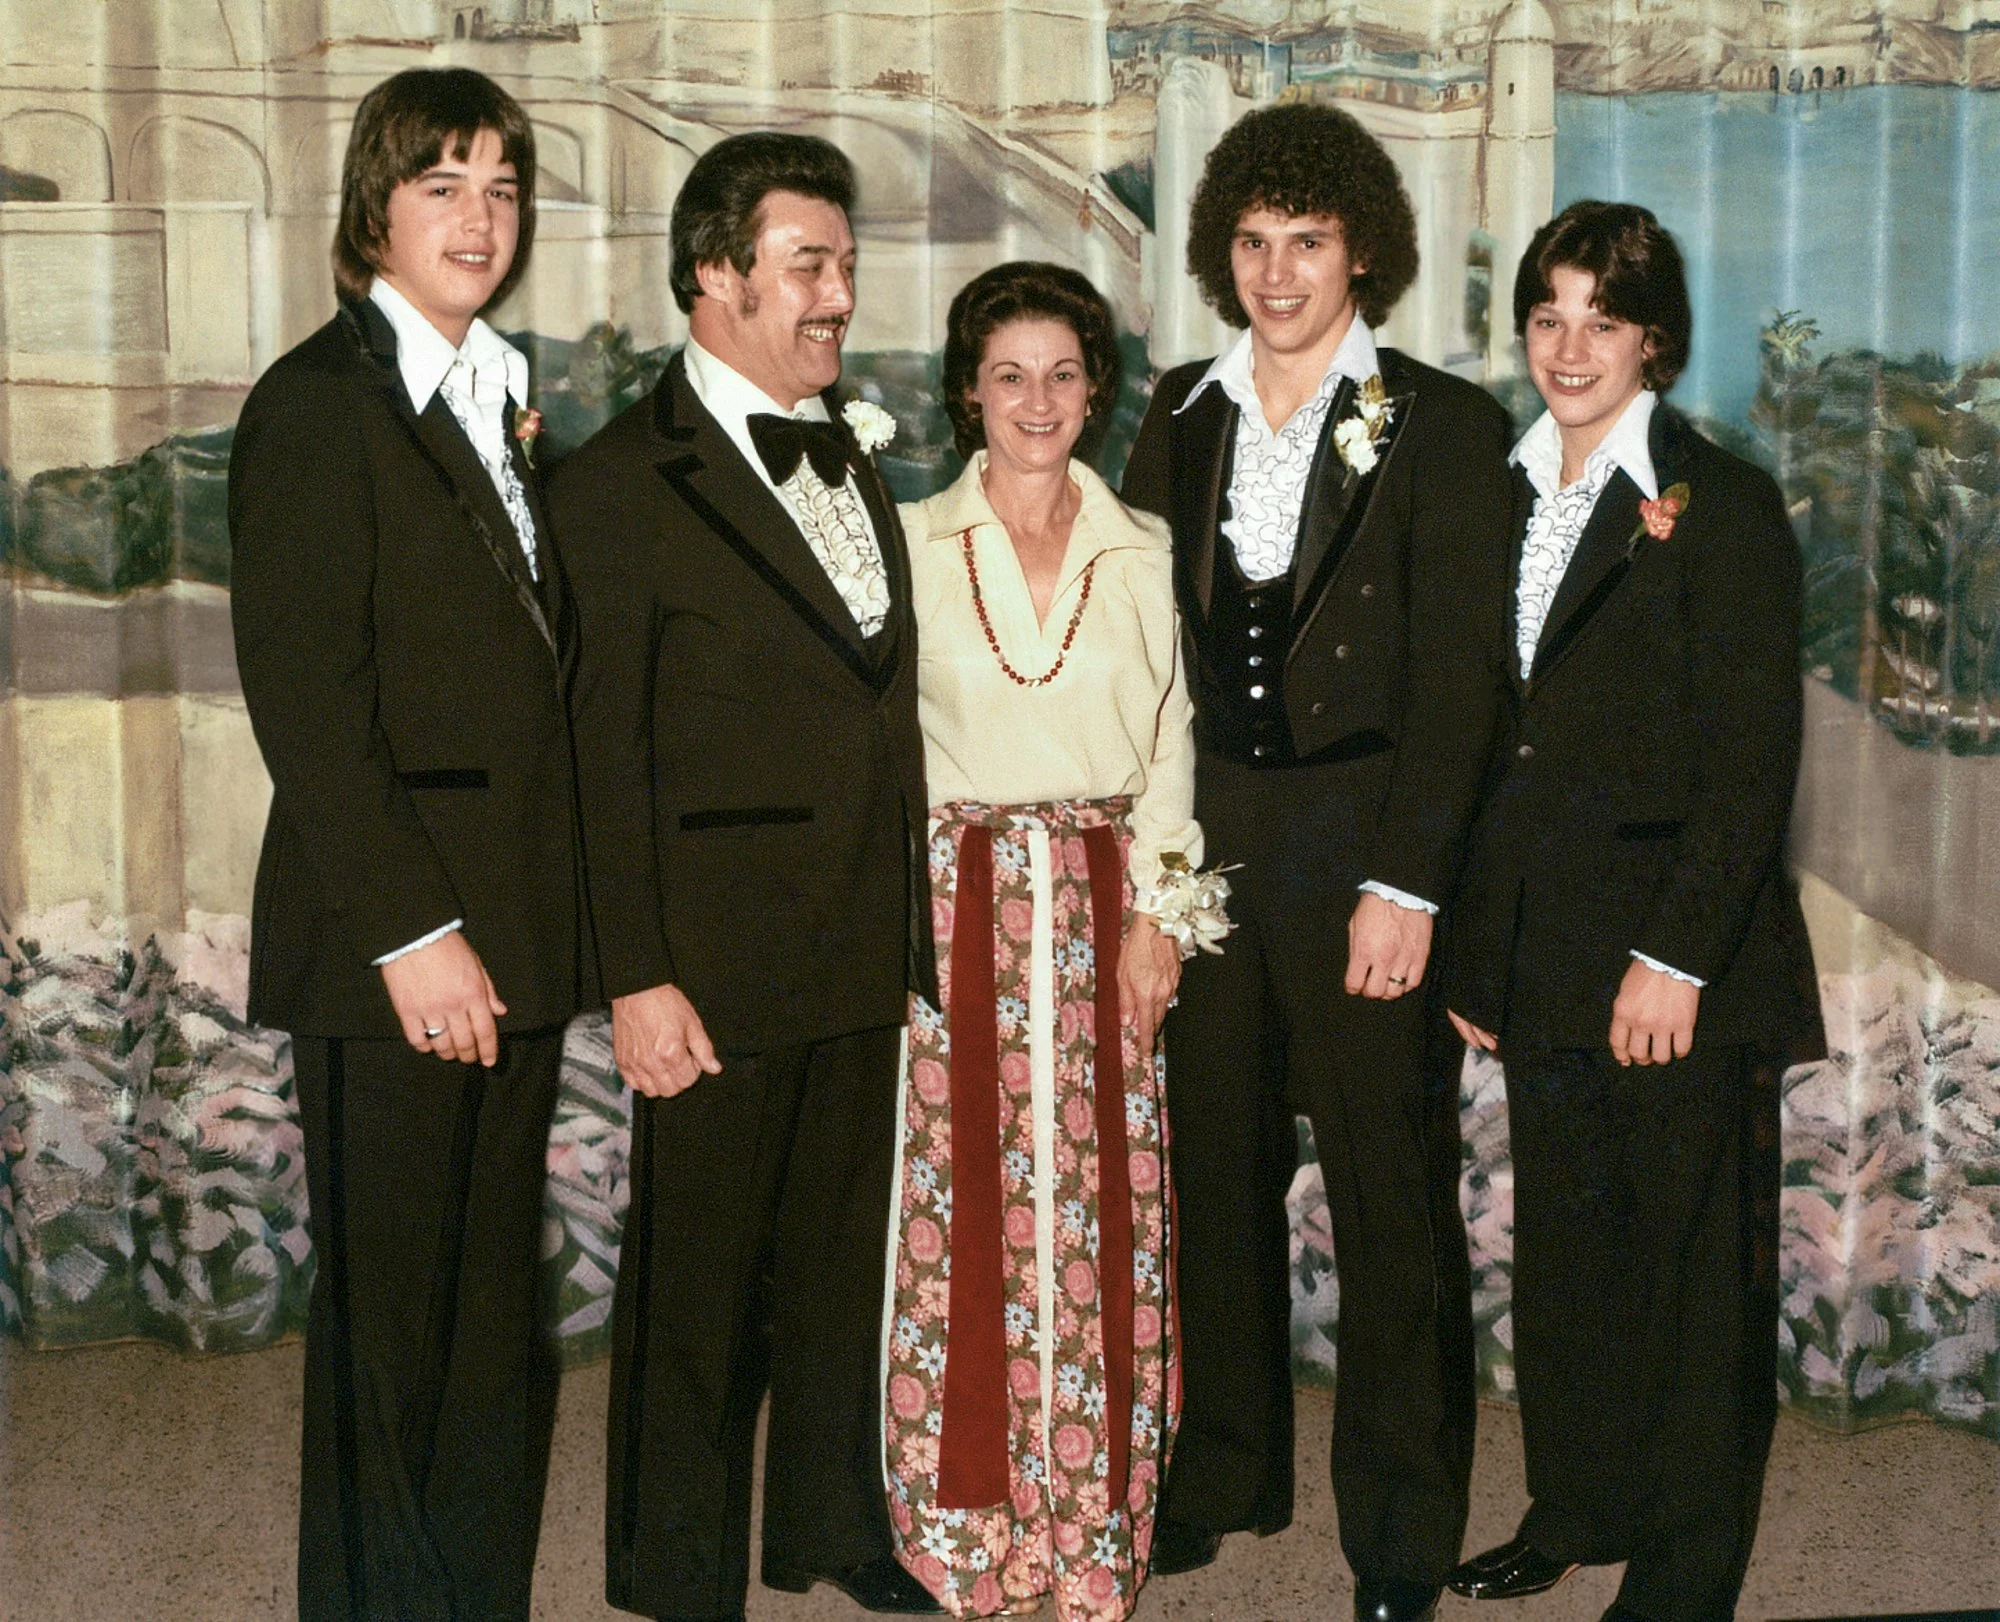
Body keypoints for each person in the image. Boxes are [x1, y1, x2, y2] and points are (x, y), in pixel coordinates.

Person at [1120, 101, 1514, 1622]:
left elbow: (1466, 685)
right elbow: (1147, 658)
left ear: (1365, 250)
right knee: (1209, 1167)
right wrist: (1154, 867)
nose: (1278, 273)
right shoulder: (1178, 410)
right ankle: (1223, 1466)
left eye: (1310, 241)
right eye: (1253, 240)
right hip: (1211, 847)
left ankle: (1402, 1532)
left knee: (1387, 1194)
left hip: (1367, 853)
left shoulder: (1446, 422)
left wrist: (1412, 886)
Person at [548, 131, 941, 1622]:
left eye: (844, 263)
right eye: (809, 264)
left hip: (853, 941)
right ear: (716, 274)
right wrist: (635, 975)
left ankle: (833, 1527)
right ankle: (674, 1569)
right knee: (697, 1289)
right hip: (708, 965)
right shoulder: (616, 483)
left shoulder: (849, 444)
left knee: (842, 1266)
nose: (839, 293)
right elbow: (604, 761)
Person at [228, 67, 590, 1621]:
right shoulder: (317, 403)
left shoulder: (496, 391)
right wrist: (411, 934)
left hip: (507, 931)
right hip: (399, 945)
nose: (480, 216)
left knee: (488, 1314)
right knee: (396, 1329)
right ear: (374, 206)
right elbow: (308, 705)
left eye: (503, 185)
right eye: (444, 183)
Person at [1440, 201, 1824, 1622]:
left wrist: (1677, 959)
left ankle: (1683, 1573)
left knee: (1692, 1278)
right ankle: (1580, 1504)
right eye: (1548, 313)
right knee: (1574, 1264)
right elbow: (1491, 743)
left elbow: (1750, 762)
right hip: (1540, 955)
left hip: (1679, 961)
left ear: (1653, 336)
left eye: (1603, 316)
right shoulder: (1502, 487)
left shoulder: (1720, 503)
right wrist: (1482, 944)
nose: (1569, 343)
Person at [883, 262, 1202, 1621]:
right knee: (962, 1221)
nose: (1036, 400)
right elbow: (877, 753)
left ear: (1095, 391)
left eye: (1063, 374)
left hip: (1101, 902)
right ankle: (964, 1526)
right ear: (969, 388)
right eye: (1009, 373)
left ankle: (1089, 1523)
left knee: (1099, 1216)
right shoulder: (908, 543)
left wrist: (1161, 917)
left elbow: (1176, 743)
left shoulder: (1139, 549)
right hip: (957, 906)